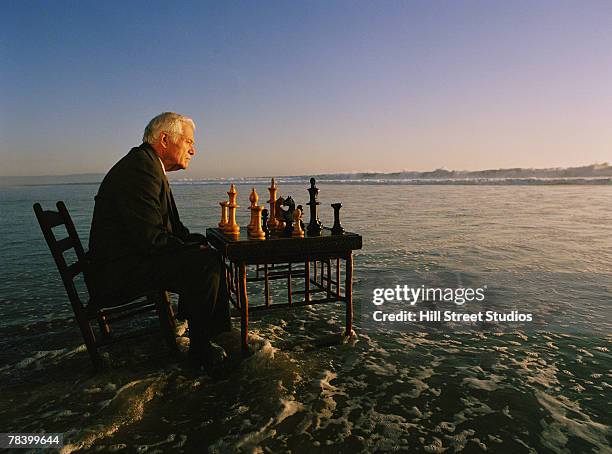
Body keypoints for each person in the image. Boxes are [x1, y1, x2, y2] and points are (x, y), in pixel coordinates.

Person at [87, 112, 231, 369]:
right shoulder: (141, 169)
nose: (193, 150)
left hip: (127, 261)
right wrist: (195, 248)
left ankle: (207, 332)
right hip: (118, 273)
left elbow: (173, 231)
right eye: (188, 142)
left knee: (207, 254)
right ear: (165, 139)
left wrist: (198, 242)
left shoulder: (148, 164)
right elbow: (151, 239)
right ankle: (201, 348)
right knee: (205, 263)